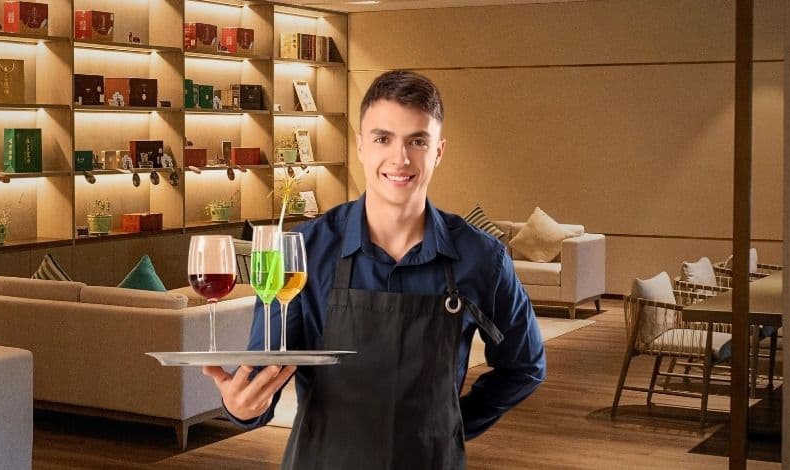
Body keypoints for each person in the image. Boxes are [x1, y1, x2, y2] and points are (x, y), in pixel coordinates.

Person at [203, 70, 546, 469]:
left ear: (438, 151)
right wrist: (243, 407)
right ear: (361, 146)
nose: (400, 159)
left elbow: (524, 366)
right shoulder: (304, 251)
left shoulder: (482, 257)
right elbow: (263, 374)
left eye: (418, 141)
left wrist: (455, 423)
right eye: (383, 139)